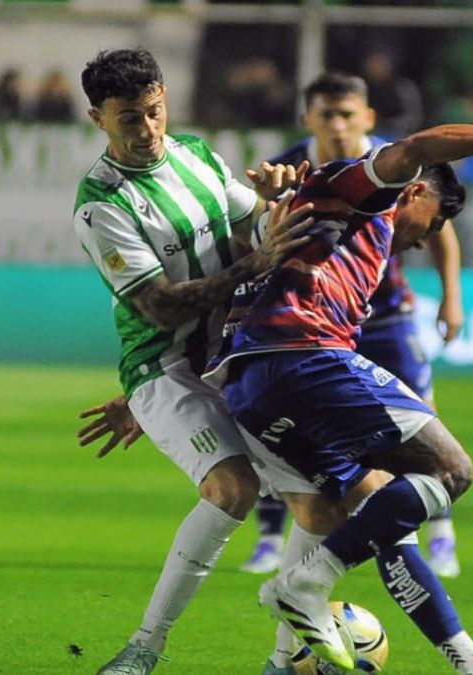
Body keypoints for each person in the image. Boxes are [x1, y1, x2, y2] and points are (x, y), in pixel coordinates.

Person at [207, 111, 473, 673]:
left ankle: (466, 661)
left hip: (253, 389)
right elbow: (419, 146)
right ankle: (306, 583)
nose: (421, 241)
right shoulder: (369, 191)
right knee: (451, 470)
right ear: (413, 190)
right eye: (431, 224)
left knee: (379, 512)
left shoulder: (329, 229)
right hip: (299, 355)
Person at [72, 47, 318, 675]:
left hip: (234, 353)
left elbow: (255, 226)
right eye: (129, 118)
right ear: (98, 118)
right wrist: (256, 260)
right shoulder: (102, 205)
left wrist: (276, 201)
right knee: (233, 489)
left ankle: (286, 657)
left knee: (319, 496)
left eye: (154, 111)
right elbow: (160, 307)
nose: (148, 129)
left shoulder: (196, 156)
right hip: (165, 367)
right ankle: (143, 648)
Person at [241, 71, 466, 580]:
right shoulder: (291, 166)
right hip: (314, 321)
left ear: (368, 117)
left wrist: (452, 297)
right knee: (286, 423)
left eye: (347, 115)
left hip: (386, 314)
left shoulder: (395, 164)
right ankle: (270, 537)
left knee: (421, 415)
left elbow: (439, 232)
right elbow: (262, 235)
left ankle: (442, 535)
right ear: (308, 119)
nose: (338, 126)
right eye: (327, 115)